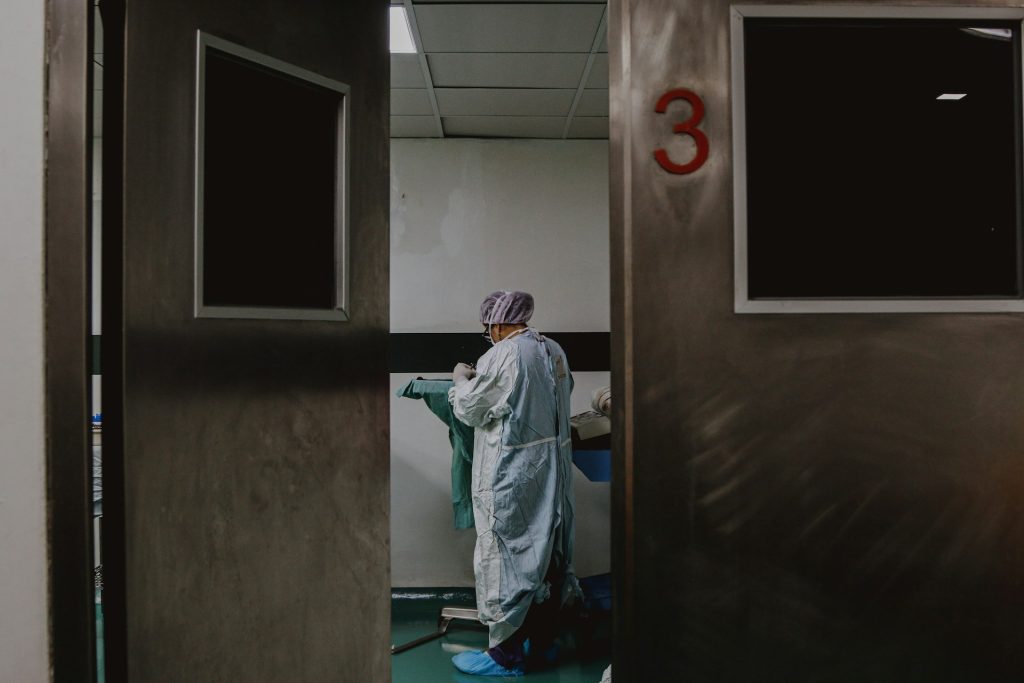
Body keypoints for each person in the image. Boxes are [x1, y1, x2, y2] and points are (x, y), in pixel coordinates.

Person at [448, 290, 580, 677]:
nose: (487, 332)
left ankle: (505, 656)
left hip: (513, 472)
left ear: (499, 321)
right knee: (548, 552)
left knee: (508, 555)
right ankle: (542, 643)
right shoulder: (553, 349)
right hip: (552, 469)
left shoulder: (502, 354)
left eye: (487, 325)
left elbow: (471, 407)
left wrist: (461, 377)